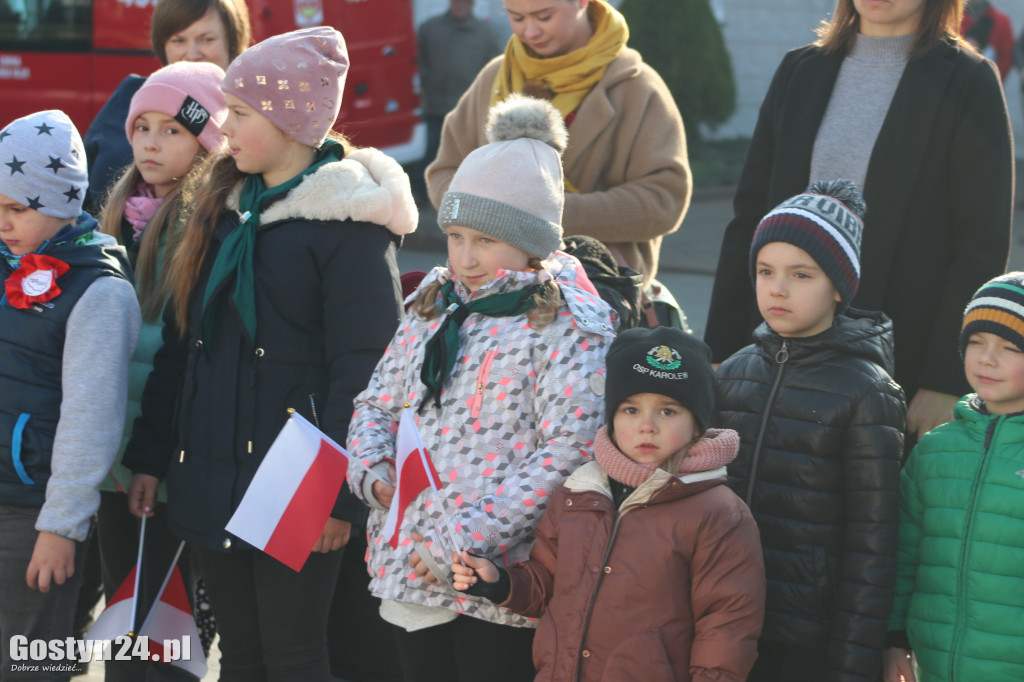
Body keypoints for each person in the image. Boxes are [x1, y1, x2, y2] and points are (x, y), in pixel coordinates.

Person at [122, 27, 416, 680]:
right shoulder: (221, 213)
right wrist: (152, 458)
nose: (225, 127)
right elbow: (185, 345)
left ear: (291, 121)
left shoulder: (350, 231)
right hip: (211, 479)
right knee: (241, 653)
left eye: (243, 114)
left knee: (293, 656)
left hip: (297, 489)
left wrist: (338, 500)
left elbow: (367, 374)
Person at [348, 94, 615, 682]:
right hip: (411, 556)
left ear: (531, 242)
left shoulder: (566, 323)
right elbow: (378, 402)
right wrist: (371, 471)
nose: (465, 258)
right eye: (456, 236)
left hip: (495, 569)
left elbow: (568, 449)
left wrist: (464, 535)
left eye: (486, 241)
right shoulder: (435, 303)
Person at [705, 0, 1012, 446]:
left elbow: (981, 243)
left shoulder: (967, 79)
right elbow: (751, 217)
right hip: (776, 349)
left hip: (898, 359)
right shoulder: (800, 70)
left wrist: (945, 378)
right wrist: (720, 349)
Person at [450, 326, 766, 682]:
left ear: (697, 422)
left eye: (667, 411)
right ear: (612, 419)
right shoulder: (579, 492)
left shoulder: (719, 512)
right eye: (630, 409)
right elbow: (549, 584)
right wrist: (501, 584)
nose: (646, 426)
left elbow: (727, 626)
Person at [713, 180, 906, 682]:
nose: (777, 288)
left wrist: (852, 664)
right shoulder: (731, 373)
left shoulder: (867, 392)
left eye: (801, 274)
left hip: (806, 639)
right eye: (765, 271)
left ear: (839, 287)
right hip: (725, 617)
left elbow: (873, 544)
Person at [94, 60, 228, 681]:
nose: (149, 141)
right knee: (122, 614)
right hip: (114, 459)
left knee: (164, 632)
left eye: (171, 129)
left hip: (162, 463)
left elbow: (176, 354)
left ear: (206, 142)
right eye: (141, 127)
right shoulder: (118, 214)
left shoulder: (202, 225)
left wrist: (149, 458)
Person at [0, 110, 140, 679]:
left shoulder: (100, 292)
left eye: (17, 208)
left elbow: (91, 420)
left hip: (32, 516)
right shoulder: (8, 263)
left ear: (62, 203)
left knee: (30, 664)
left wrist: (61, 529)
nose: (3, 222)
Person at [425, 0, 689, 293]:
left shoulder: (637, 86)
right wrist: (479, 220)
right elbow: (443, 172)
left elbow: (666, 199)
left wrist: (545, 215)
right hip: (484, 298)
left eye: (544, 16)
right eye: (516, 17)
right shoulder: (494, 76)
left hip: (599, 296)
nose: (530, 30)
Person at [884, 272, 1024, 682]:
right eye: (976, 342)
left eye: (1010, 348)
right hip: (935, 665)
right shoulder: (933, 450)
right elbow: (905, 555)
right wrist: (894, 640)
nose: (986, 358)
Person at [83, 0, 251, 213]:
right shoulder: (130, 95)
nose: (192, 54)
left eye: (207, 39)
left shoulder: (254, 112)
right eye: (178, 40)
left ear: (233, 42)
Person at [414, 0, 502, 199]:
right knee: (432, 152)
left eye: (466, 2)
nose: (461, 5)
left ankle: (460, 197)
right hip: (435, 107)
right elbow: (420, 62)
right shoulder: (430, 28)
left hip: (466, 111)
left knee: (465, 157)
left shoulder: (485, 33)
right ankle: (422, 195)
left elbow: (493, 73)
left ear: (472, 5)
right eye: (457, 1)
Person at [961, 0, 1014, 80]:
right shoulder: (951, 17)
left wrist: (992, 82)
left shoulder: (1001, 22)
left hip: (984, 82)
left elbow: (1006, 59)